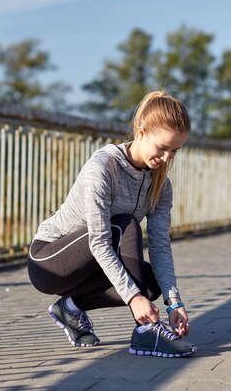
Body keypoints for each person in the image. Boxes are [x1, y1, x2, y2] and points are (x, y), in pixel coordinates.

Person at [27, 91, 196, 358]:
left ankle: (69, 308)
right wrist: (133, 298)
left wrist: (174, 301)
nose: (166, 158)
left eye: (174, 151)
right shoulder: (104, 167)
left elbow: (160, 245)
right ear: (141, 133)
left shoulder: (161, 185)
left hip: (90, 265)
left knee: (150, 285)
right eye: (162, 148)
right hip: (49, 261)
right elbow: (99, 241)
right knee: (124, 226)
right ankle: (146, 333)